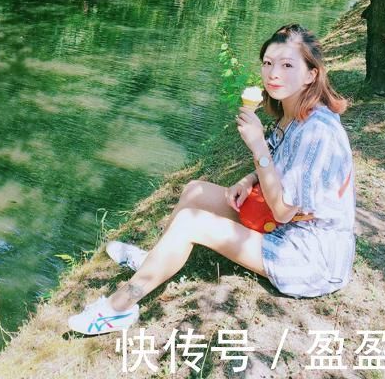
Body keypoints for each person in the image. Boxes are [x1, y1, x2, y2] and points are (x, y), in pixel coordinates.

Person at [68, 24, 355, 335]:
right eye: (268, 63)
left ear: (311, 74)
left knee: (193, 222)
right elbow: (277, 160)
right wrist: (248, 180)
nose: (274, 74)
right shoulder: (292, 110)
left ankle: (117, 309)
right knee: (195, 190)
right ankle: (154, 260)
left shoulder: (318, 131)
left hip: (310, 256)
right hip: (284, 226)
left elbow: (285, 209)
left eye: (288, 65)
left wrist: (257, 144)